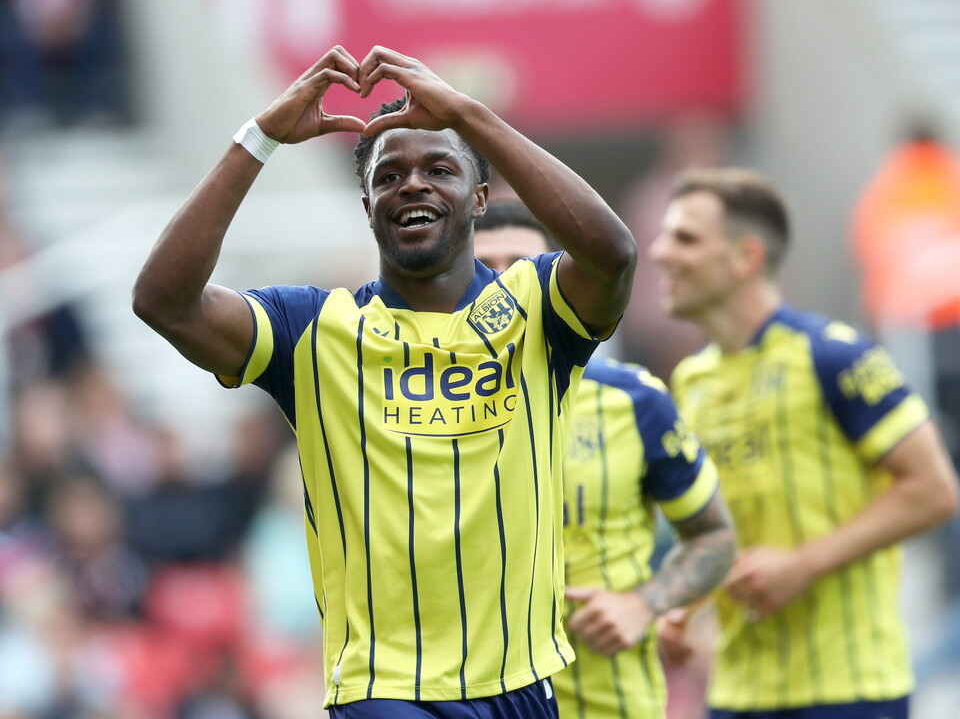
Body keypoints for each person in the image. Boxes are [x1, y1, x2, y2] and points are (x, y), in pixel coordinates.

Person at [132, 45, 638, 718]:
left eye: (440, 169)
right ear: (368, 205)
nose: (413, 184)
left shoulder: (537, 308)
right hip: (386, 689)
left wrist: (467, 114)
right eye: (389, 174)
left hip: (521, 681)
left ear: (480, 197)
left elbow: (613, 254)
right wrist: (260, 139)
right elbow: (163, 301)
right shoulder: (311, 329)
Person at [649, 167, 960, 719]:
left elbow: (935, 491)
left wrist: (802, 565)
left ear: (745, 257)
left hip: (849, 691)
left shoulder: (834, 355)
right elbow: (717, 526)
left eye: (685, 238)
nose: (659, 252)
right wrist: (681, 607)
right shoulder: (691, 381)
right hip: (737, 693)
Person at [474, 199, 736, 719]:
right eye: (483, 268)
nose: (501, 284)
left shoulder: (633, 400)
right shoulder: (413, 408)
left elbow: (715, 537)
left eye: (519, 267)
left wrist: (645, 604)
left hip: (612, 704)